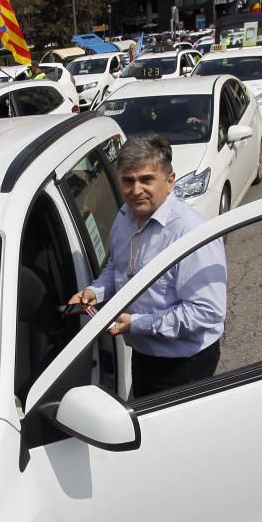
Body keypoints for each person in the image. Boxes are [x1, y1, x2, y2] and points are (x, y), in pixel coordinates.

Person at [66, 135, 226, 397]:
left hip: (183, 366)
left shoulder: (191, 232)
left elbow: (206, 312)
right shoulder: (125, 217)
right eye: (128, 181)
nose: (136, 189)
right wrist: (95, 292)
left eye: (146, 179)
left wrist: (136, 324)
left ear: (170, 181)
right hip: (144, 355)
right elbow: (116, 269)